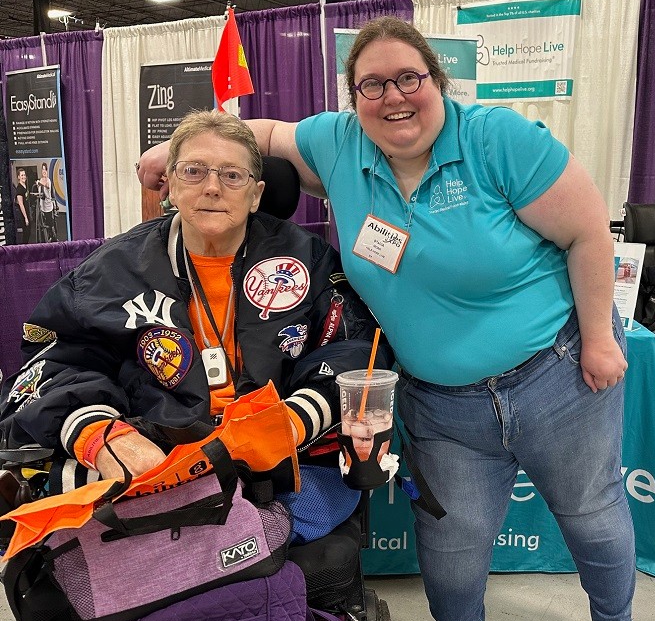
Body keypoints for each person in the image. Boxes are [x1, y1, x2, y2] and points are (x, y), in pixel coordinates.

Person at [140, 17, 637, 621]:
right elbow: (260, 131)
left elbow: (589, 231)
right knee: (452, 543)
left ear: (437, 79)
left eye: (409, 77)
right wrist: (169, 154)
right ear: (353, 100)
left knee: (591, 516)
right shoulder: (339, 143)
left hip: (555, 373)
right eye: (371, 85)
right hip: (441, 402)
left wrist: (599, 337)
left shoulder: (496, 138)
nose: (393, 96)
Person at [1, 110, 390, 543]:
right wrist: (100, 434)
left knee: (309, 505)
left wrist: (294, 419)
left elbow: (355, 349)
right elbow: (52, 363)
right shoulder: (111, 271)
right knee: (69, 497)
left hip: (277, 460)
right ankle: (214, 537)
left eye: (231, 175)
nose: (211, 187)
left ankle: (201, 540)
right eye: (194, 171)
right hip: (160, 449)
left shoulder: (309, 258)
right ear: (170, 182)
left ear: (257, 194)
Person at [29, 163, 57, 243]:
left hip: (48, 206)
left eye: (45, 169)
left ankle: (53, 238)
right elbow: (39, 192)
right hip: (41, 206)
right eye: (43, 169)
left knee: (50, 224)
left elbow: (47, 186)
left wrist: (39, 183)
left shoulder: (48, 180)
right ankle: (43, 239)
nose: (44, 171)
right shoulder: (40, 180)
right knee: (41, 224)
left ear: (47, 171)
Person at [13, 168, 32, 245]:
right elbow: (21, 204)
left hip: (27, 212)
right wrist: (26, 218)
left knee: (28, 231)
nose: (23, 177)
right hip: (23, 214)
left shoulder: (25, 186)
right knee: (26, 232)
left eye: (24, 175)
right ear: (18, 177)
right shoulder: (19, 189)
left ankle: (25, 247)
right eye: (22, 175)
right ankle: (23, 249)